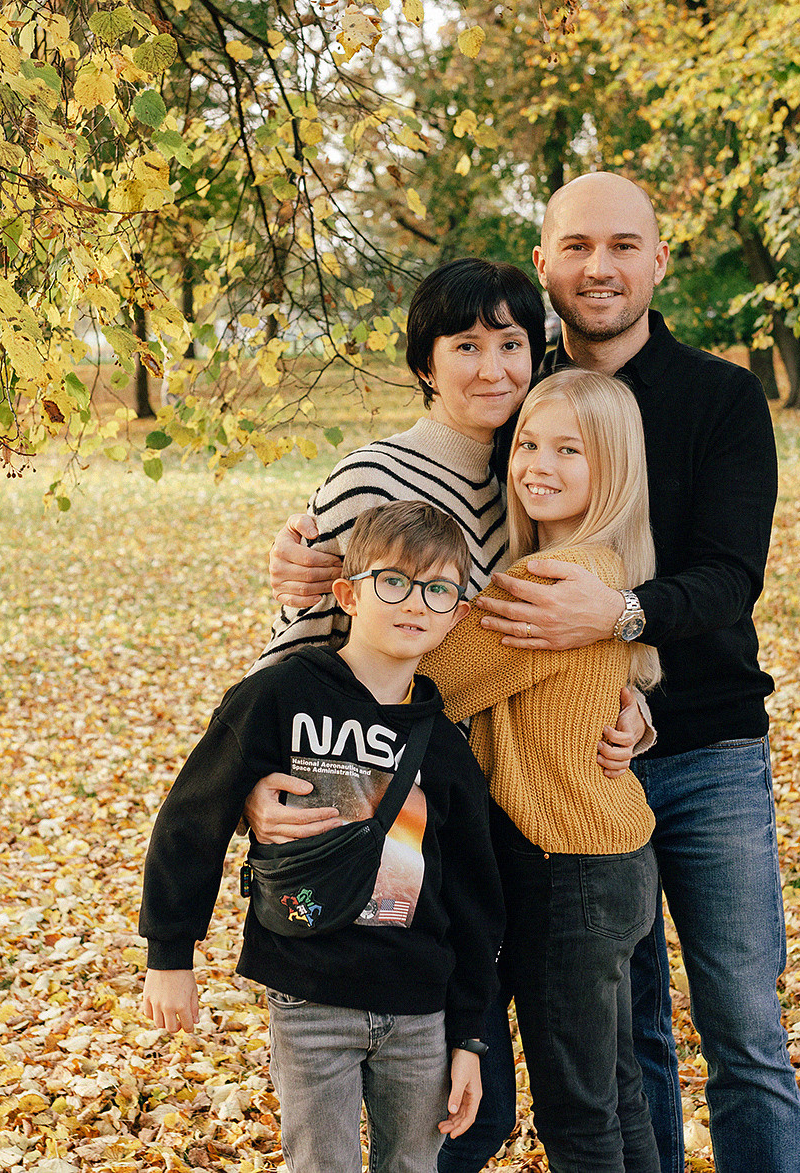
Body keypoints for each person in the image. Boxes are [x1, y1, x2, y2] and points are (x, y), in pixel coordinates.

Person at [262, 173, 800, 1173]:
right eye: (577, 247)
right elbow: (344, 604)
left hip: (697, 749)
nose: (600, 268)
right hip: (524, 788)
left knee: (739, 1028)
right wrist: (317, 567)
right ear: (546, 262)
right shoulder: (518, 399)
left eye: (623, 245)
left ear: (658, 259)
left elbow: (730, 576)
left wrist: (620, 639)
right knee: (619, 1046)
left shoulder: (715, 396)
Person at [140, 500, 505, 1173]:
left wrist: (469, 1037)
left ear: (456, 614)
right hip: (310, 994)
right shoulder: (282, 695)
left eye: (437, 589)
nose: (414, 601)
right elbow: (194, 816)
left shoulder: (446, 746)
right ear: (348, 594)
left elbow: (474, 900)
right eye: (392, 581)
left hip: (418, 1010)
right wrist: (170, 953)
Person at [414, 369, 663, 1173]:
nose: (537, 465)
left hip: (565, 868)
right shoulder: (606, 566)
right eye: (527, 443)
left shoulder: (549, 582)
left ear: (612, 469)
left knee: (579, 1118)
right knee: (615, 1092)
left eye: (569, 450)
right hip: (612, 855)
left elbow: (428, 680)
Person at [249, 257, 548, 675]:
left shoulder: (523, 491)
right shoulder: (369, 480)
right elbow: (296, 649)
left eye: (511, 345)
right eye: (467, 346)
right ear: (426, 368)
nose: (493, 371)